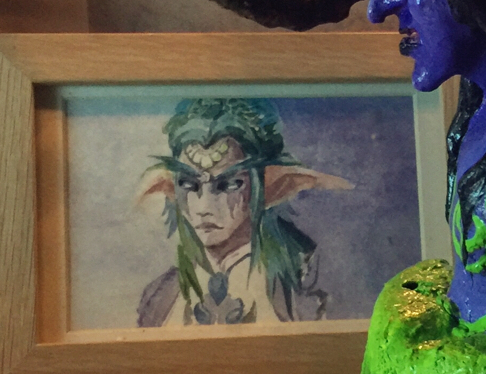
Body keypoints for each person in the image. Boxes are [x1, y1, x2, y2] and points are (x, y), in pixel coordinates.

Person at [135, 97, 350, 326]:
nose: (204, 207)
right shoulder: (158, 297)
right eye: (188, 184)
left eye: (228, 185)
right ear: (171, 187)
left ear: (269, 186)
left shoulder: (308, 284)